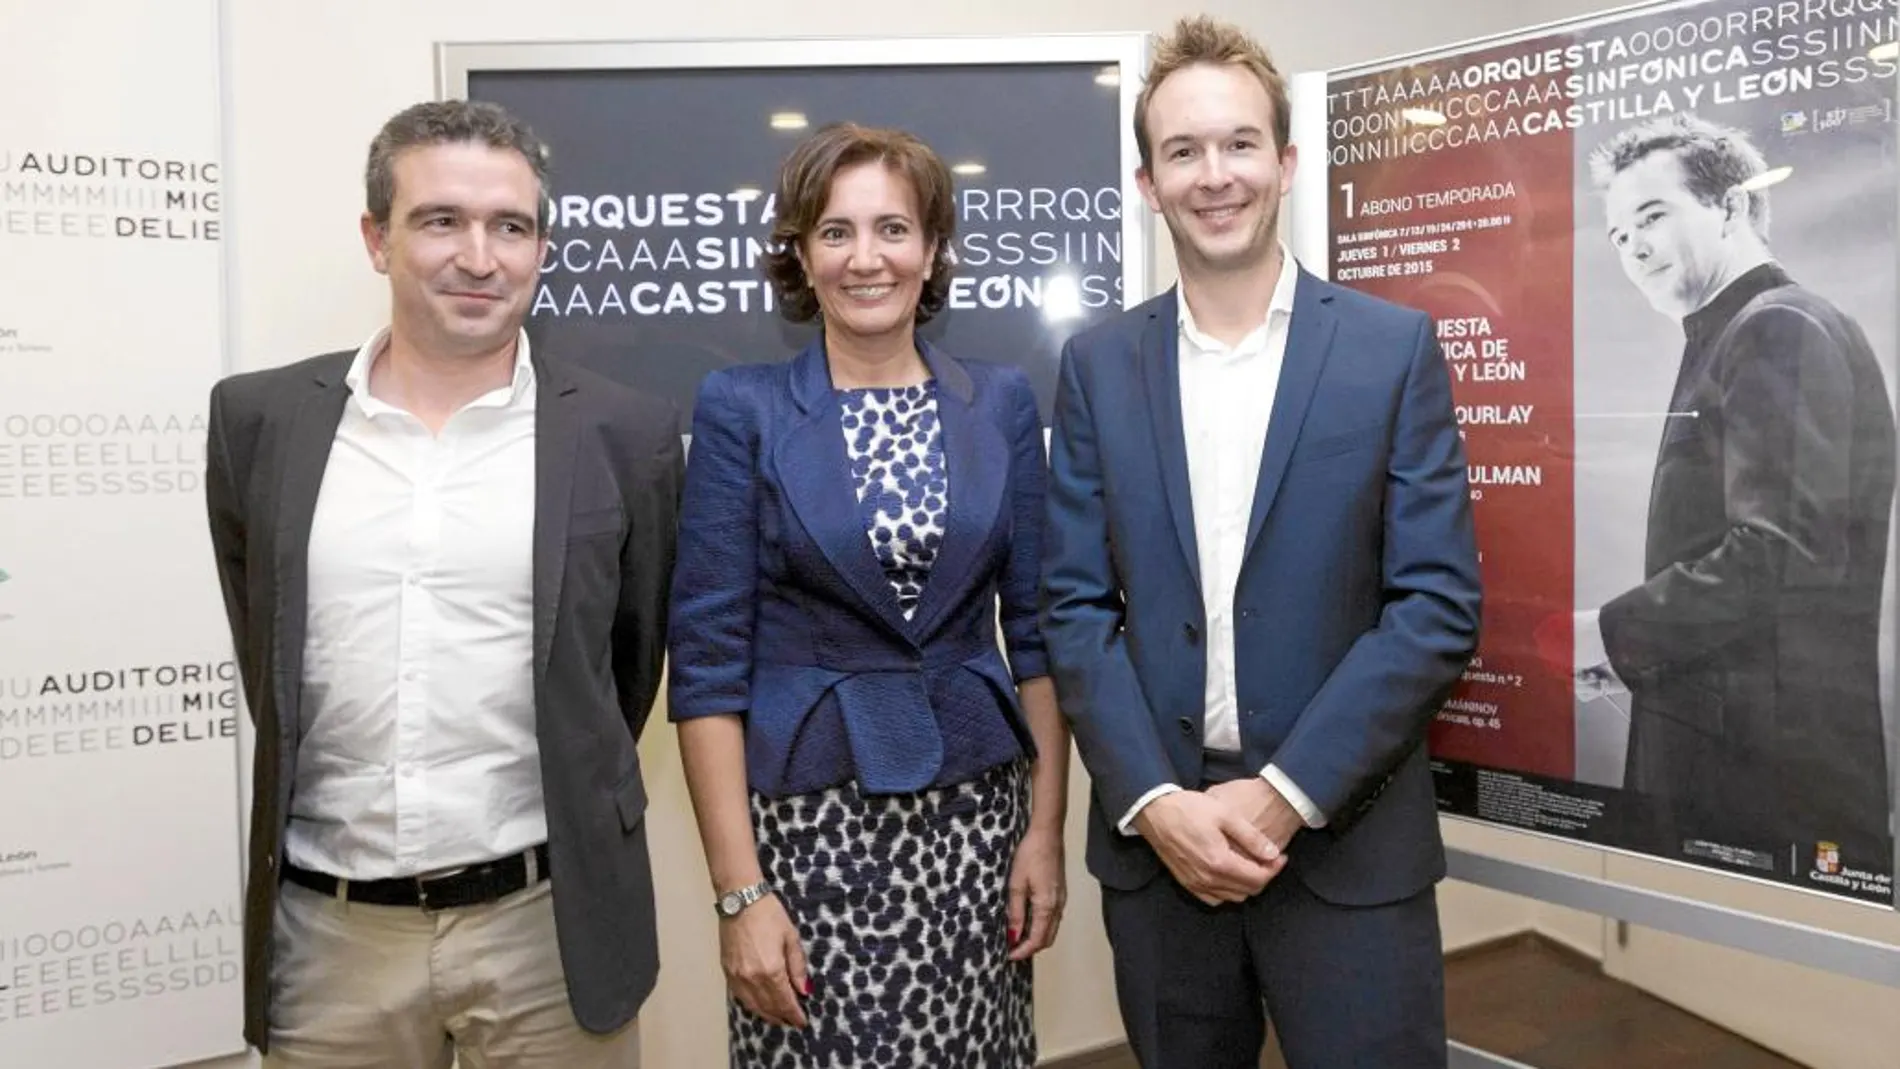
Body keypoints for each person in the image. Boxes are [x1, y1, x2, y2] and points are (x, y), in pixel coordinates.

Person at [1039, 17, 1482, 1068]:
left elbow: (1432, 607)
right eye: (1182, 151)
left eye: (1239, 143)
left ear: (1285, 163)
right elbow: (1074, 607)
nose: (1214, 175)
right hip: (1162, 859)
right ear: (1148, 184)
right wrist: (1154, 803)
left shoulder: (1390, 350)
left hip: (1346, 845)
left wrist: (1282, 798)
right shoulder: (1098, 367)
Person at [203, 99, 681, 1068]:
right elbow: (268, 650)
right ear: (377, 239)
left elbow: (620, 672)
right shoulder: (261, 420)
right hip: (331, 936)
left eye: (512, 226)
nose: (481, 256)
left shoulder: (625, 434)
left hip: (550, 931)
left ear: (542, 246)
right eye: (441, 221)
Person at [667, 121, 1069, 1068]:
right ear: (801, 256)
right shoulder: (744, 407)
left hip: (979, 827)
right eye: (835, 232)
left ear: (932, 251)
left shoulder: (1002, 401)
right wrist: (739, 893)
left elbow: (1041, 637)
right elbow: (708, 668)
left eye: (893, 229)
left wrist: (1043, 833)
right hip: (810, 835)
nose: (866, 258)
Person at [1576, 112, 1895, 871]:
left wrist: (1609, 634)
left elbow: (1781, 555)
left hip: (1763, 779)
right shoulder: (1737, 333)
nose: (1635, 248)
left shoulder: (1775, 327)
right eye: (1620, 235)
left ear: (1732, 206)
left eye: (1652, 216)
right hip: (1746, 766)